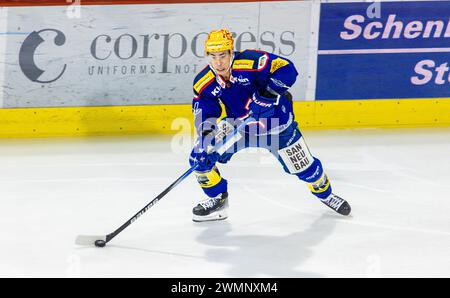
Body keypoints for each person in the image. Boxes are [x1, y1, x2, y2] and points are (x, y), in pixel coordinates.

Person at [189, 29, 351, 222]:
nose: (218, 62)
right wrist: (205, 139)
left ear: (231, 52)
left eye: (223, 55)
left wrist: (268, 94)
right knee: (200, 157)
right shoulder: (204, 82)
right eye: (213, 56)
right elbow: (206, 114)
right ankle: (218, 199)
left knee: (307, 169)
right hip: (239, 126)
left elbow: (287, 69)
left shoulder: (251, 62)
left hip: (277, 125)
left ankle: (326, 195)